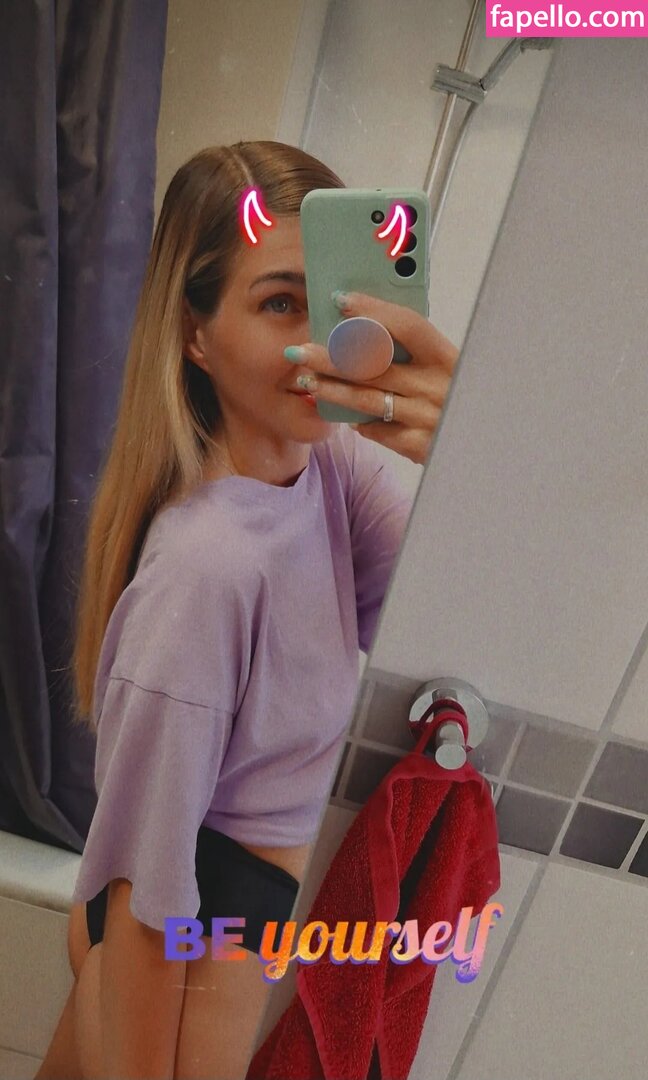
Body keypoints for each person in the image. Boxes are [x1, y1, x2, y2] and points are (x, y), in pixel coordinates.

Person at [35, 140, 459, 1080]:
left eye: (336, 301)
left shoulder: (327, 476)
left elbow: (451, 623)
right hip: (190, 938)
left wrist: (459, 437)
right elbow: (145, 904)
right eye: (279, 304)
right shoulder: (208, 570)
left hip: (218, 918)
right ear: (195, 335)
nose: (323, 341)